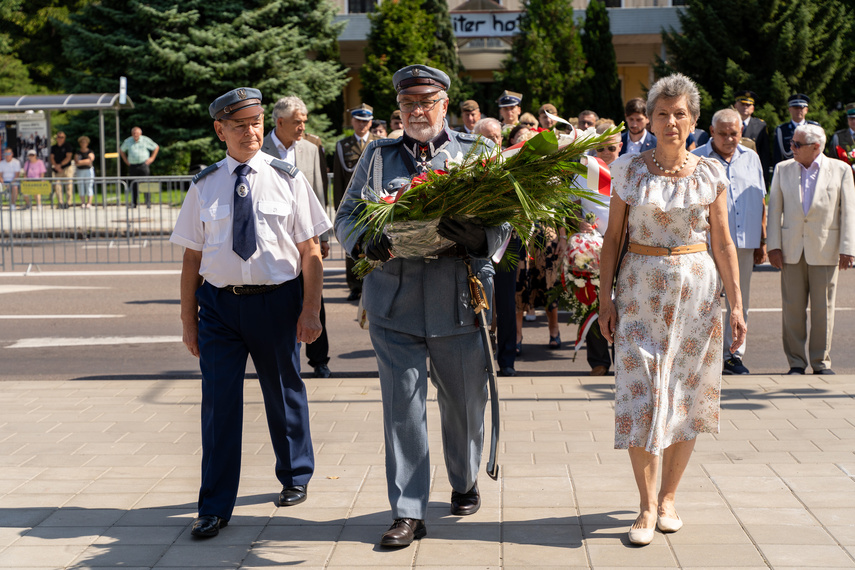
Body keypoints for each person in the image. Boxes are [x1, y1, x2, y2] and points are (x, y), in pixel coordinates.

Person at [334, 64, 510, 548]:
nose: (416, 111)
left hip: (459, 299)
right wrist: (364, 242)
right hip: (395, 303)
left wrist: (483, 239)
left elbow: (508, 218)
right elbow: (346, 216)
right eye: (408, 103)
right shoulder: (377, 155)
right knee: (402, 409)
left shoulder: (477, 152)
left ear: (445, 105)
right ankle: (408, 511)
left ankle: (464, 478)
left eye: (426, 102)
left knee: (465, 405)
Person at [169, 86, 331, 539]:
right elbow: (191, 259)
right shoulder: (204, 185)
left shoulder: (287, 177)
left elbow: (311, 249)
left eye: (255, 123)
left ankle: (295, 474)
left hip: (277, 301)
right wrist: (188, 320)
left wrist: (311, 310)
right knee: (219, 405)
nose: (250, 132)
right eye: (238, 125)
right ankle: (214, 505)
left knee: (283, 391)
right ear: (220, 129)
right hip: (219, 307)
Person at [598, 74, 746, 546]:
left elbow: (722, 242)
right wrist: (604, 297)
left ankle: (668, 499)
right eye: (662, 113)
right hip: (640, 294)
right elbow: (612, 240)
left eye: (679, 113)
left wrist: (738, 304)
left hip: (698, 297)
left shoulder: (710, 173)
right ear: (650, 119)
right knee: (640, 391)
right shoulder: (627, 170)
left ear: (693, 120)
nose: (670, 122)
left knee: (687, 393)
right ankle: (644, 506)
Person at [767, 124, 855, 375]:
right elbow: (774, 210)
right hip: (791, 250)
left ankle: (820, 362)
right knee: (792, 309)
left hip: (826, 249)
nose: (791, 148)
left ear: (816, 147)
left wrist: (848, 247)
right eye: (791, 143)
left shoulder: (841, 170)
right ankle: (795, 362)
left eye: (796, 144)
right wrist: (773, 246)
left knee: (823, 309)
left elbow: (848, 211)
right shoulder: (783, 170)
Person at [261, 95, 333, 379]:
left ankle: (319, 359)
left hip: (305, 237)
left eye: (304, 121)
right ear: (280, 122)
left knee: (314, 298)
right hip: (274, 239)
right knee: (279, 301)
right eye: (297, 122)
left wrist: (323, 235)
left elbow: (317, 191)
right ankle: (280, 359)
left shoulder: (310, 149)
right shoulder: (259, 148)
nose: (302, 127)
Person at [693, 108, 767, 375]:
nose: (728, 139)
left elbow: (760, 199)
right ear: (712, 132)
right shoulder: (697, 158)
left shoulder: (752, 158)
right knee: (704, 298)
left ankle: (733, 355)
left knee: (739, 299)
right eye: (722, 134)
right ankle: (701, 354)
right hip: (706, 243)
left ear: (741, 132)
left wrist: (762, 239)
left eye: (734, 134)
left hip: (744, 242)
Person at [577, 121, 622, 376]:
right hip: (591, 248)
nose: (605, 152)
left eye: (611, 147)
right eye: (601, 148)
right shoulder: (585, 170)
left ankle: (622, 357)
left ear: (620, 146)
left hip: (625, 247)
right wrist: (578, 221)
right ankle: (599, 362)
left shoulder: (630, 169)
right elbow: (569, 205)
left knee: (623, 303)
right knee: (593, 302)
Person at [333, 103, 380, 301]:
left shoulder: (379, 142)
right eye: (359, 121)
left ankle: (375, 282)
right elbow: (338, 179)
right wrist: (339, 206)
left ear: (371, 122)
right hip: (352, 203)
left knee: (376, 242)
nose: (362, 125)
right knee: (352, 243)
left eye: (366, 121)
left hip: (375, 203)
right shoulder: (342, 145)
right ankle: (354, 285)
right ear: (353, 121)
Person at [773, 93, 819, 167]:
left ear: (806, 110)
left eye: (801, 108)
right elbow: (777, 155)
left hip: (810, 168)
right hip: (789, 169)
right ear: (790, 110)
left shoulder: (814, 128)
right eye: (795, 108)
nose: (799, 110)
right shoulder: (781, 130)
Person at [734, 90, 771, 179]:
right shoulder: (729, 123)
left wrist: (764, 178)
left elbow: (764, 154)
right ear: (735, 106)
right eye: (742, 104)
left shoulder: (760, 125)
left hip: (752, 170)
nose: (745, 107)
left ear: (753, 108)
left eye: (748, 105)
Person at [50, 132, 75, 209]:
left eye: (62, 137)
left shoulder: (68, 146)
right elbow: (51, 158)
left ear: (64, 138)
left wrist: (60, 165)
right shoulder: (53, 147)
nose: (60, 138)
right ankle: (60, 202)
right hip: (57, 169)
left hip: (67, 168)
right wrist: (56, 166)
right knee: (57, 185)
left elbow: (68, 157)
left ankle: (68, 202)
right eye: (59, 137)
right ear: (56, 138)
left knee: (69, 185)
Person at [74, 136, 96, 209]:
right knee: (81, 186)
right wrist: (85, 161)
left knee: (89, 186)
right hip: (80, 171)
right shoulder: (78, 152)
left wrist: (81, 162)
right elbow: (76, 162)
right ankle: (83, 203)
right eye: (82, 142)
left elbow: (90, 160)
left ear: (87, 143)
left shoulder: (90, 151)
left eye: (85, 142)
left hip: (88, 170)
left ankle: (89, 203)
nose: (83, 143)